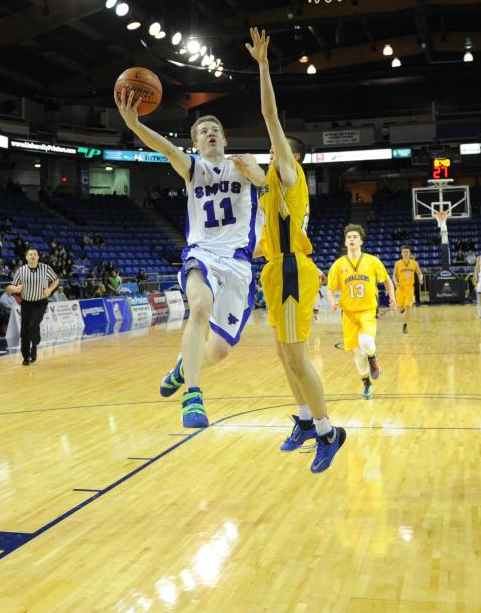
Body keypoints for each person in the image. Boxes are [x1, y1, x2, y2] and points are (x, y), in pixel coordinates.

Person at [114, 76, 265, 429]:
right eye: (203, 131)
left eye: (215, 129)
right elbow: (167, 149)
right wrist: (135, 125)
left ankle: (183, 367)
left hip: (239, 265)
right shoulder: (192, 167)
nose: (210, 133)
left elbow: (263, 181)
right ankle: (193, 395)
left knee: (220, 350)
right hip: (203, 254)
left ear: (225, 139)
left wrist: (255, 173)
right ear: (195, 144)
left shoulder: (242, 162)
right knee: (199, 307)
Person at [250, 27, 346, 473]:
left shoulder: (288, 171)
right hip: (275, 269)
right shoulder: (271, 183)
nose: (273, 150)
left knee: (297, 356)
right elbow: (260, 187)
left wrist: (264, 67)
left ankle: (329, 431)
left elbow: (270, 117)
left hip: (292, 270)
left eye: (278, 148)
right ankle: (306, 420)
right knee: (282, 354)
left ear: (290, 154)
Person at [328, 225, 397, 399]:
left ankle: (373, 359)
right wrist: (332, 302)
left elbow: (387, 281)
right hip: (348, 313)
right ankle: (367, 385)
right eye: (349, 237)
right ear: (345, 242)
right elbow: (330, 288)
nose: (351, 239)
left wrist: (392, 298)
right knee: (358, 354)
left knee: (366, 342)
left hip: (367, 310)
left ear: (360, 241)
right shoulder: (338, 264)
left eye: (354, 237)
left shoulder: (373, 261)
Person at [6, 248, 59, 365]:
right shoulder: (21, 271)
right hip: (26, 303)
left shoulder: (45, 268)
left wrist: (50, 289)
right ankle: (25, 357)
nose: (33, 256)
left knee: (33, 325)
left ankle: (34, 345)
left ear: (38, 257)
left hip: (40, 302)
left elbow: (56, 280)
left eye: (35, 254)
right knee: (24, 331)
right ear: (26, 257)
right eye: (30, 254)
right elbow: (11, 288)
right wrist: (14, 288)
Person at [392, 245, 422, 332]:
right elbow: (394, 275)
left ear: (410, 253)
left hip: (409, 289)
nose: (405, 253)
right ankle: (401, 309)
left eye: (407, 252)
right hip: (400, 289)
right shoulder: (397, 263)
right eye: (404, 252)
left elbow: (419, 273)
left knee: (408, 307)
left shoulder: (414, 263)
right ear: (401, 253)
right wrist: (395, 282)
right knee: (400, 307)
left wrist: (420, 278)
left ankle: (405, 326)